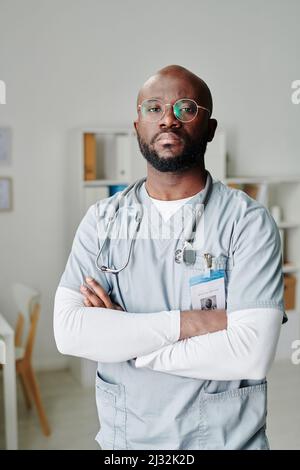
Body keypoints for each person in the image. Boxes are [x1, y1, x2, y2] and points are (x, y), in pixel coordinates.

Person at [54, 65, 286, 450]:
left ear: (210, 129)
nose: (168, 119)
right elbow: (69, 332)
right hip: (127, 442)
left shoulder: (247, 221)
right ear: (137, 126)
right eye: (154, 108)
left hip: (225, 441)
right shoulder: (102, 220)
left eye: (186, 109)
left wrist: (128, 342)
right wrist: (192, 323)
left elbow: (249, 354)